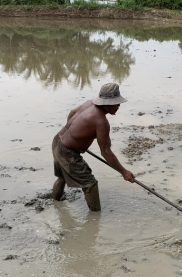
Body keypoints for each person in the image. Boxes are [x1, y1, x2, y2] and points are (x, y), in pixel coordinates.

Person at [52, 83, 135, 211]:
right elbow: (106, 152)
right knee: (90, 183)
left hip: (58, 140)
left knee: (62, 177)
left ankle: (55, 204)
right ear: (107, 103)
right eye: (116, 103)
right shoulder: (101, 122)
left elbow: (72, 112)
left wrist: (76, 136)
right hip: (67, 152)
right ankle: (95, 218)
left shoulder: (88, 103)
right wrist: (124, 172)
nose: (119, 105)